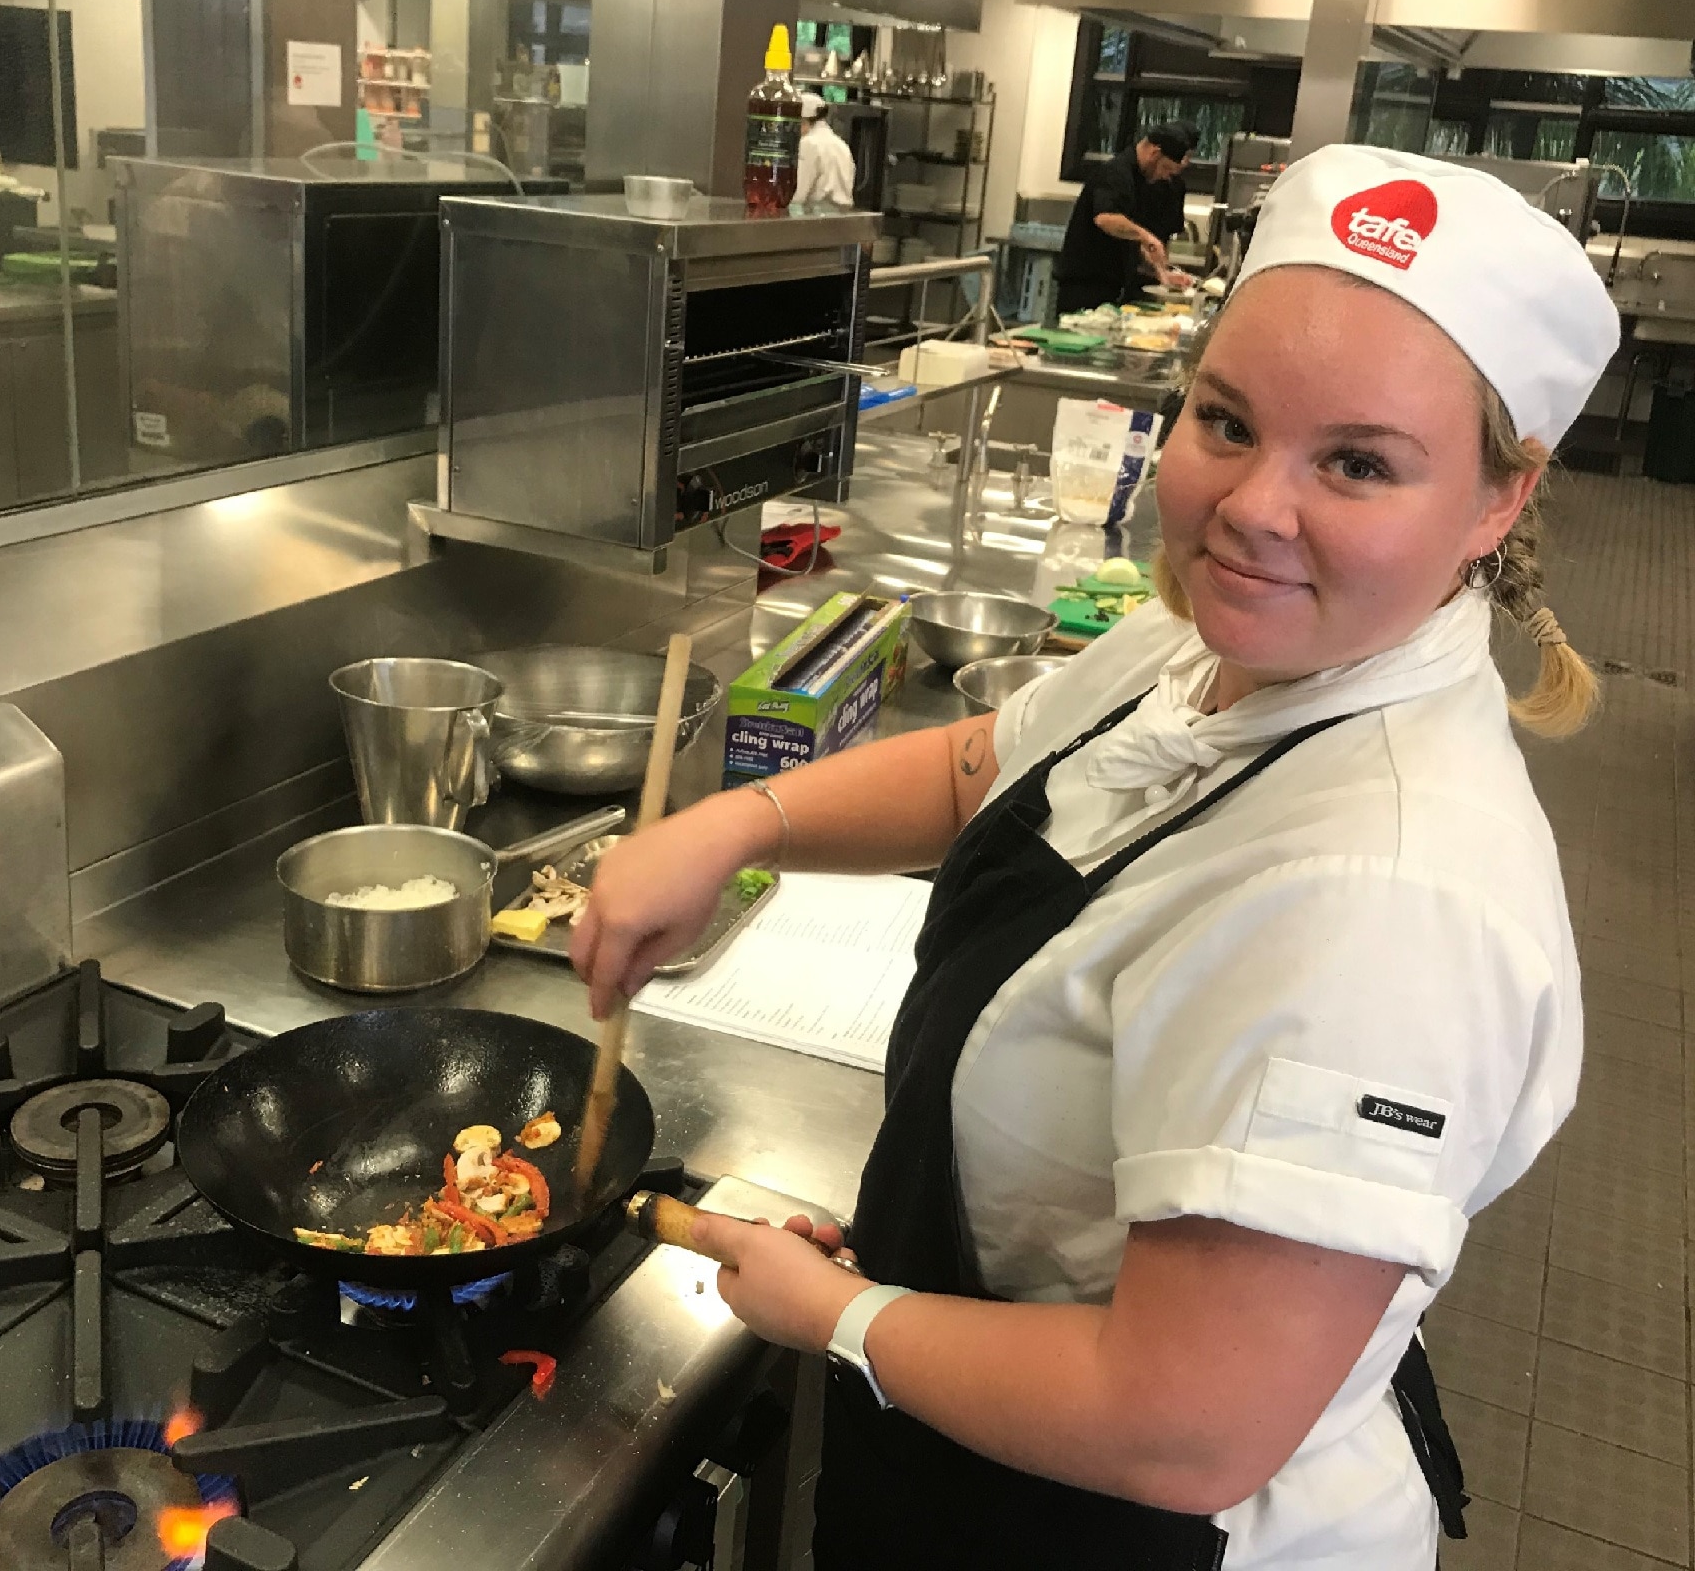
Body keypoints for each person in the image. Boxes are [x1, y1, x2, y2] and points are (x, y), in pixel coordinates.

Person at [575, 144, 1618, 1569]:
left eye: (1358, 462)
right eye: (1227, 421)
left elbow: (1184, 1424)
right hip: (988, 1436)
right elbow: (976, 766)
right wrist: (730, 825)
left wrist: (838, 1318)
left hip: (1137, 1526)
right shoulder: (1212, 645)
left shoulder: (1384, 898)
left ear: (1498, 502)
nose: (1254, 508)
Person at [1057, 120, 1199, 312]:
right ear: (1155, 153)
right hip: (1086, 285)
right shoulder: (1115, 173)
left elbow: (1134, 244)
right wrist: (1146, 236)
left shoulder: (1148, 181)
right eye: (1165, 168)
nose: (1166, 176)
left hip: (1118, 286)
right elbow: (1106, 218)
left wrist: (1161, 274)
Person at [796, 93, 855, 210]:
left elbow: (799, 194)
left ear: (803, 121)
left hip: (817, 214)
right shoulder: (841, 144)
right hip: (843, 216)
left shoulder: (808, 143)